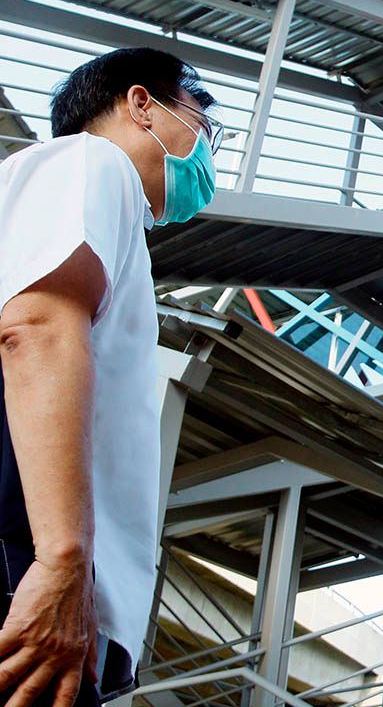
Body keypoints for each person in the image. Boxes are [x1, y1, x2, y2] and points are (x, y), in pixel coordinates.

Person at [0, 47, 219, 707]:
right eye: (206, 123)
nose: (210, 151)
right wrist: (62, 561)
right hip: (24, 556)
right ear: (141, 103)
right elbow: (34, 328)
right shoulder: (91, 164)